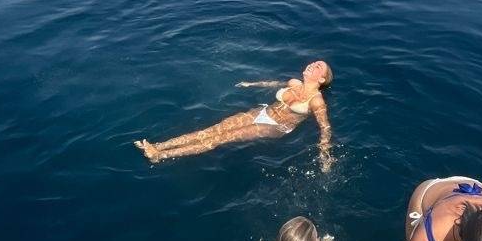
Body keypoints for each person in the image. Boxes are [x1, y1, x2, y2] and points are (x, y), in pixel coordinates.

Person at [135, 59, 334, 170]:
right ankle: (156, 146)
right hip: (262, 112)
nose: (312, 64)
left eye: (318, 66)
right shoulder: (293, 83)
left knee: (220, 139)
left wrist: (324, 153)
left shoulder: (316, 101)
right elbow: (274, 83)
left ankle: (161, 156)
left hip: (276, 126)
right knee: (211, 130)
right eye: (313, 62)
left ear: (322, 78)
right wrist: (253, 84)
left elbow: (324, 127)